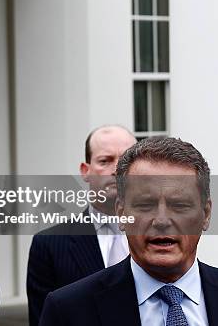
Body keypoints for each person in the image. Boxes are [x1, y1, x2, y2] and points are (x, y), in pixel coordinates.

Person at [39, 137, 218, 325]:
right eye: (145, 205)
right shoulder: (69, 309)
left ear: (206, 214)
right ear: (121, 213)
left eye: (179, 205)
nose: (161, 220)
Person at [26, 125, 137, 326]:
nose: (116, 170)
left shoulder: (164, 236)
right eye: (105, 161)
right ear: (85, 171)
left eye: (126, 160)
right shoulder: (49, 244)